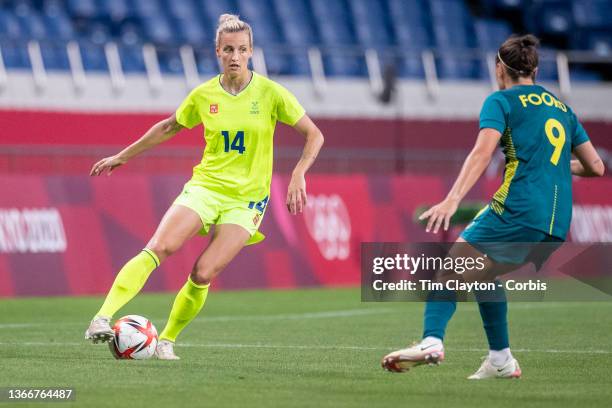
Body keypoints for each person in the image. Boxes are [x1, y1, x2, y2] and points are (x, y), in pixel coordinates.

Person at [84, 14, 324, 360]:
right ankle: (101, 317)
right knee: (160, 246)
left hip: (247, 201)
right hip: (206, 188)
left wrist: (300, 172)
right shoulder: (203, 95)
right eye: (228, 49)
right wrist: (123, 156)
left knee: (203, 272)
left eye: (242, 49)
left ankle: (166, 340)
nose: (235, 56)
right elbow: (168, 127)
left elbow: (314, 134)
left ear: (251, 51)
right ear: (217, 52)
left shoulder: (272, 94)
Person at [381, 34, 604, 379]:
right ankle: (501, 360)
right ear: (536, 69)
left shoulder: (501, 101)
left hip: (518, 210)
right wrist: (556, 167)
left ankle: (431, 341)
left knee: (448, 270)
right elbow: (596, 167)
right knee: (485, 275)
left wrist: (453, 198)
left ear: (499, 68)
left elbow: (482, 152)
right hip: (557, 223)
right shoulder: (562, 109)